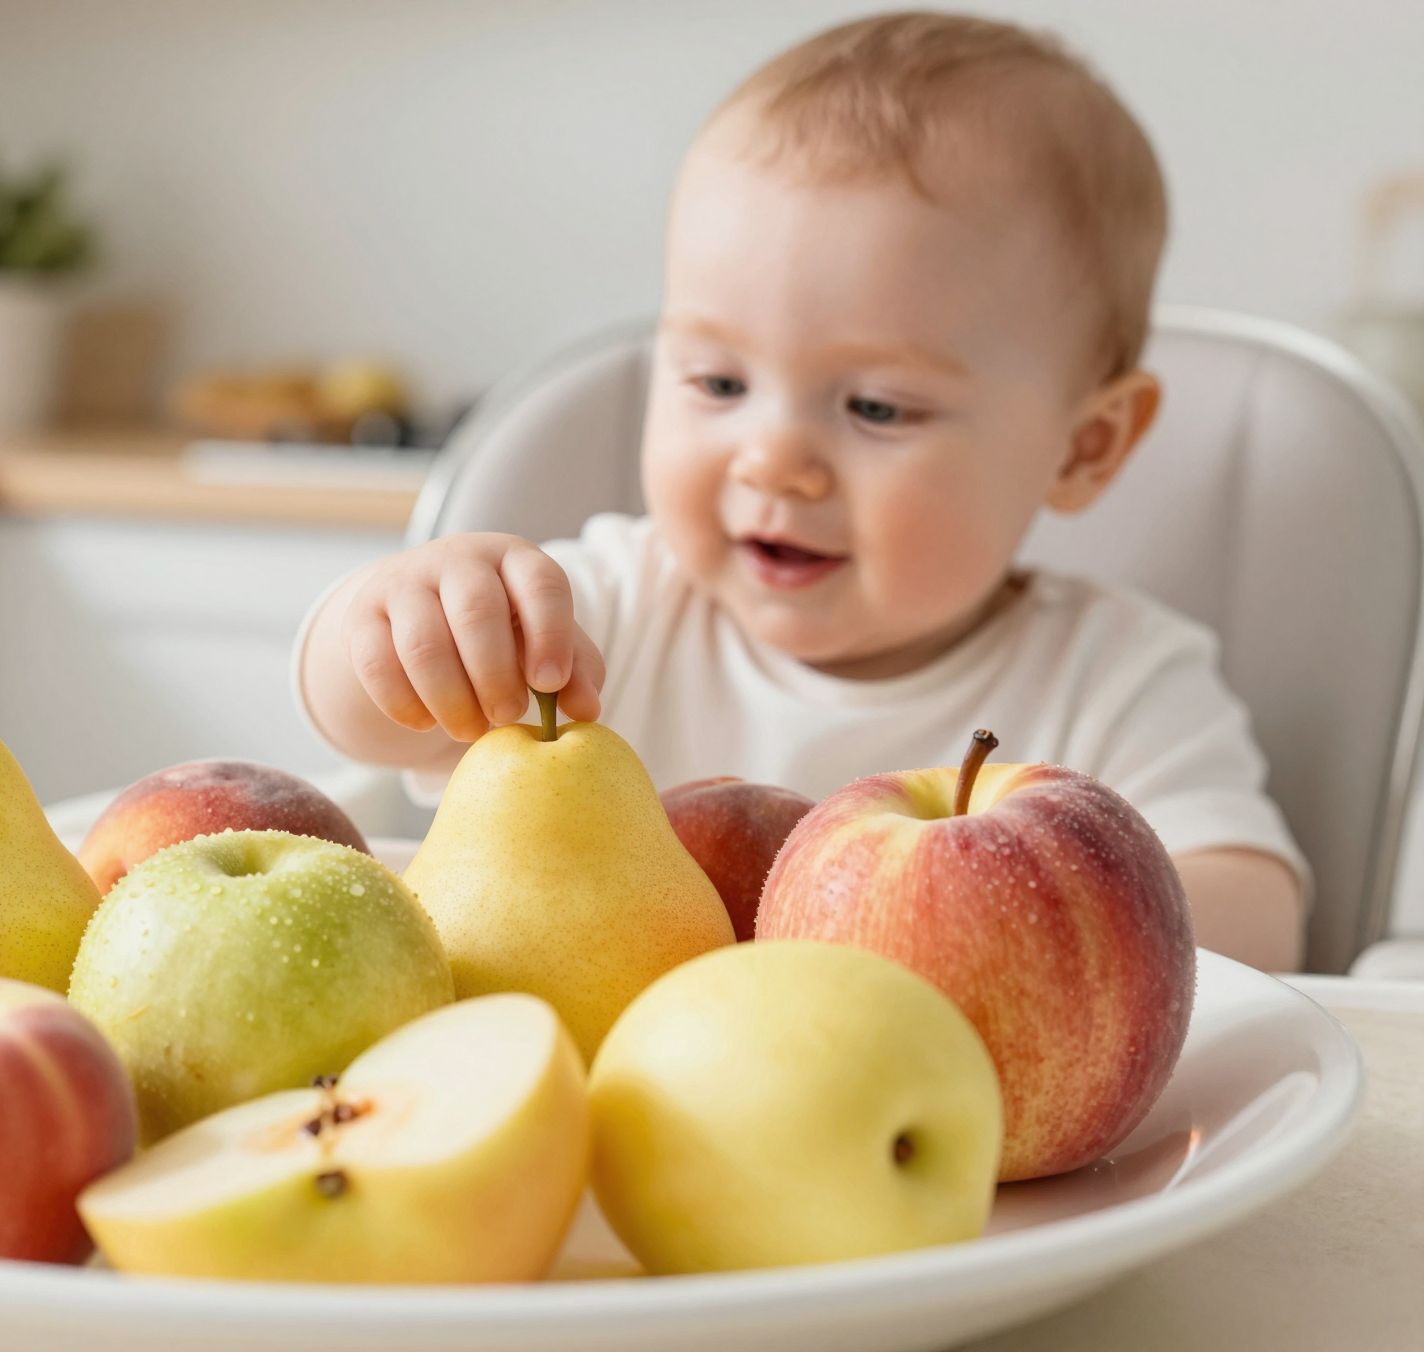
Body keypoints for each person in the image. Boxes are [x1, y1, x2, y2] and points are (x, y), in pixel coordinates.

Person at [292, 11, 1308, 972]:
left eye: (874, 408)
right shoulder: (608, 614)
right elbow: (372, 721)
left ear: (1082, 448)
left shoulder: (1113, 677)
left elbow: (1257, 920)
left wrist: (995, 912)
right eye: (719, 384)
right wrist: (400, 622)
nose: (772, 461)